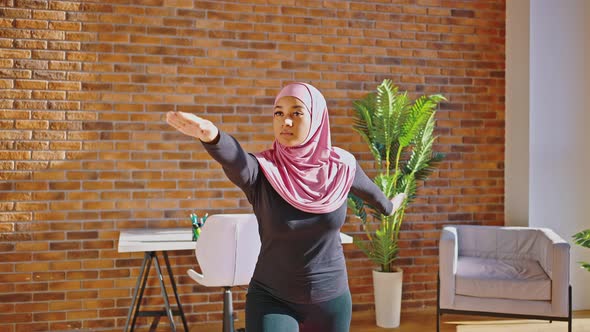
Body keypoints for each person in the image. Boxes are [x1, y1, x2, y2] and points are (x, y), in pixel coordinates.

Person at [166, 82, 406, 332]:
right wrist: (213, 136)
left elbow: (374, 196)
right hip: (272, 299)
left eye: (296, 113)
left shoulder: (341, 166)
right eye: (278, 113)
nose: (285, 121)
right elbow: (236, 161)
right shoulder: (262, 172)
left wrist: (390, 207)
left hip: (331, 300)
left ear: (316, 118)